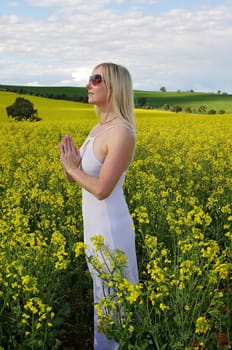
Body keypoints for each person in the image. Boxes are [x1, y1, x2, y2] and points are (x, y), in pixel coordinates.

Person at [58, 62, 139, 350]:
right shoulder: (98, 128)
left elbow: (102, 189)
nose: (88, 84)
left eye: (96, 79)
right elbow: (78, 178)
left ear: (114, 86)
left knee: (115, 299)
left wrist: (74, 169)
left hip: (110, 228)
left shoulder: (122, 133)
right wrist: (68, 166)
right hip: (94, 226)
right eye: (89, 79)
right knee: (102, 296)